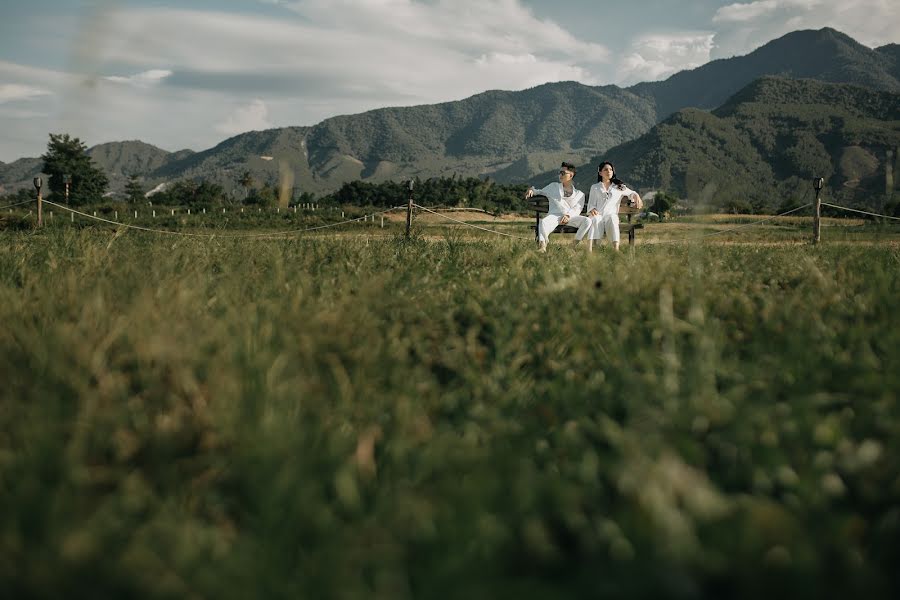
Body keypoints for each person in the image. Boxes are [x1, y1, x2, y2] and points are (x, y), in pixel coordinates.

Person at [524, 162, 591, 252]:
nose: (560, 175)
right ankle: (542, 247)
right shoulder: (553, 187)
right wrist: (531, 190)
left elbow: (577, 209)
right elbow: (538, 191)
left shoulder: (580, 194)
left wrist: (568, 216)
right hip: (554, 216)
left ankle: (573, 245)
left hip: (571, 218)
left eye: (563, 173)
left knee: (587, 221)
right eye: (559, 172)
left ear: (571, 175)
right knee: (543, 222)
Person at [586, 161, 642, 251]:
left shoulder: (619, 187)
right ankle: (593, 249)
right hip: (598, 215)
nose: (609, 171)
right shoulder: (595, 187)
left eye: (611, 170)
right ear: (600, 173)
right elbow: (591, 203)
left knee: (612, 218)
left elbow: (631, 192)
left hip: (610, 215)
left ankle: (616, 249)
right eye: (606, 170)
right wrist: (592, 209)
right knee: (595, 219)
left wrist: (636, 196)